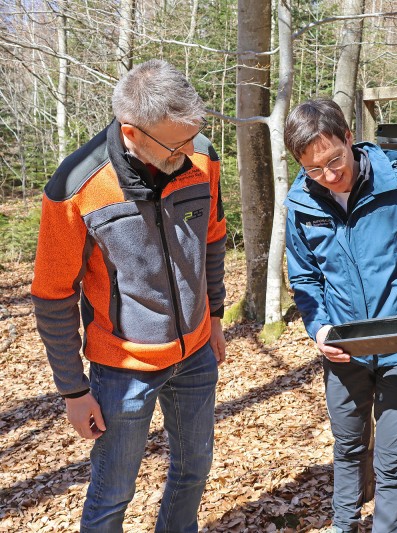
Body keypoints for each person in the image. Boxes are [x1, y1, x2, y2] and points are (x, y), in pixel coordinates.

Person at [31, 59, 227, 532]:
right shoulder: (76, 185)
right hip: (123, 367)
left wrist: (217, 316)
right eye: (176, 144)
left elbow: (213, 238)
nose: (189, 151)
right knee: (112, 493)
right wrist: (74, 390)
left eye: (193, 136)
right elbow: (53, 294)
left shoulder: (202, 158)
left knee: (193, 472)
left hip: (197, 353)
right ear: (131, 133)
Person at [283, 98, 397, 532]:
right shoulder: (302, 205)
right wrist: (320, 330)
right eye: (314, 169)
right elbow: (305, 279)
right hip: (345, 349)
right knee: (348, 448)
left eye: (334, 160)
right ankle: (343, 525)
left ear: (349, 138)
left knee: (393, 457)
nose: (329, 176)